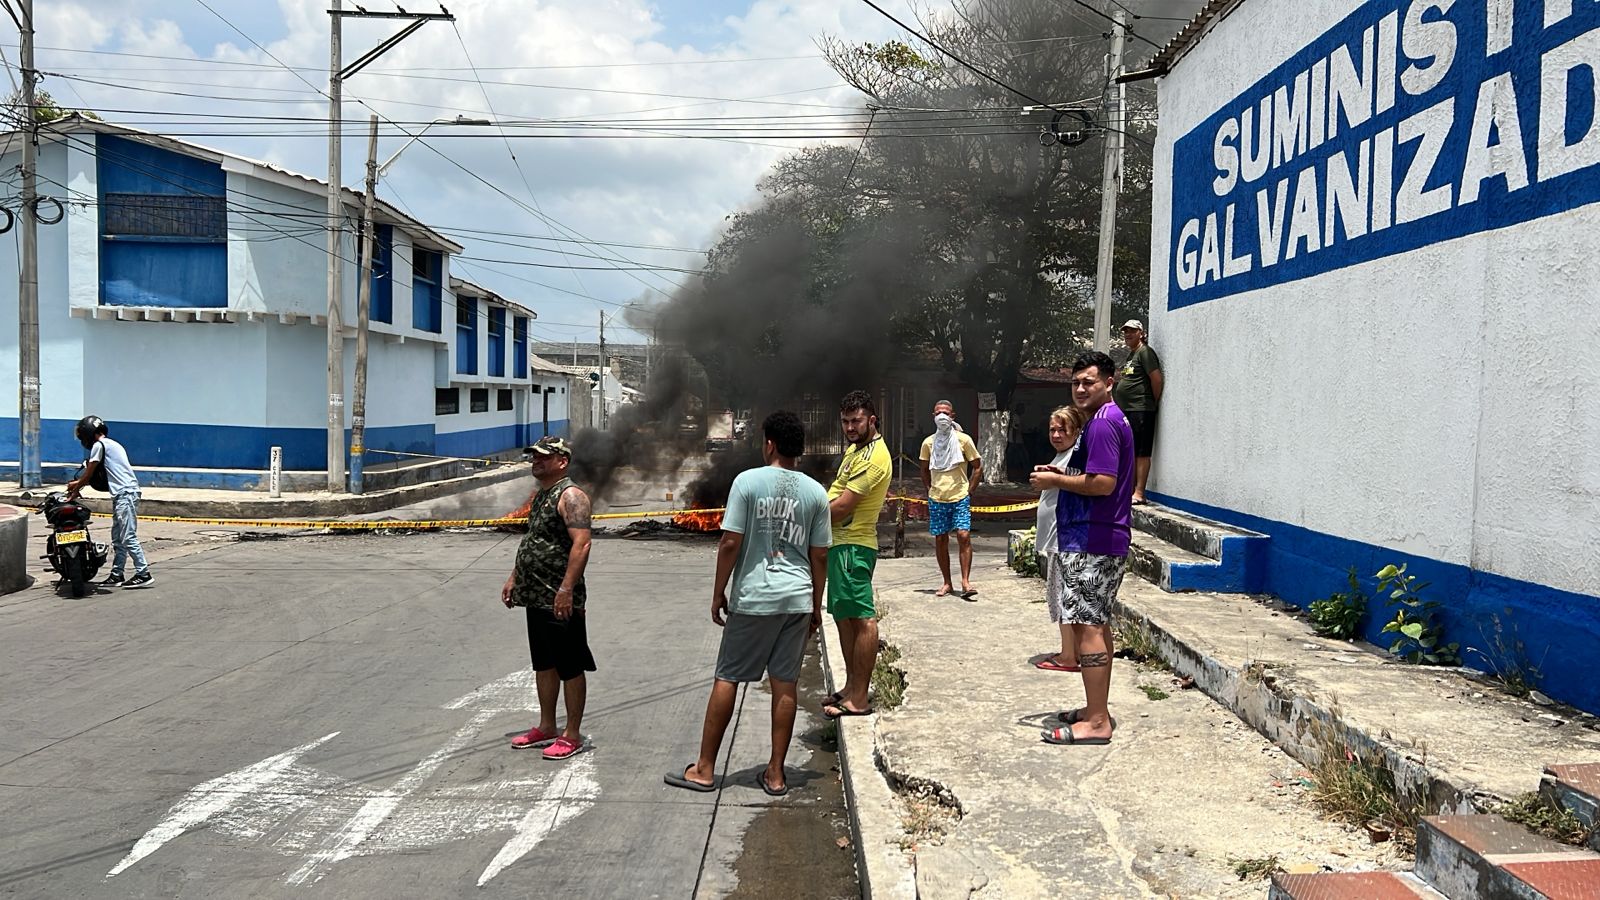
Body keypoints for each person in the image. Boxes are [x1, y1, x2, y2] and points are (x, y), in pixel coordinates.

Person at [664, 411, 831, 796]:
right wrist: (816, 605)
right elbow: (819, 555)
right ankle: (776, 774)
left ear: (769, 443)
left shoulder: (747, 482)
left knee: (728, 677)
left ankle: (704, 769)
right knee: (784, 684)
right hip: (797, 599)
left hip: (755, 598)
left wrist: (718, 590)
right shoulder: (816, 493)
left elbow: (730, 542)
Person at [1029, 352, 1135, 745]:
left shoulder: (1103, 425)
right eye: (1075, 382)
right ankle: (1096, 710)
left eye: (1089, 382)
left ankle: (1095, 724)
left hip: (1092, 539)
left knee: (1087, 626)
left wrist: (1056, 483)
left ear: (1109, 382)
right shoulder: (1104, 423)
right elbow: (1094, 475)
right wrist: (1063, 473)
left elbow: (1103, 483)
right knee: (1098, 623)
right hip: (1098, 538)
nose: (1080, 389)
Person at [500, 435, 594, 761]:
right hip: (536, 596)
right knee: (544, 664)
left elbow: (581, 544)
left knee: (570, 666)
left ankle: (572, 734)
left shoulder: (572, 496)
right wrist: (515, 577)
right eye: (533, 457)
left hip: (559, 598)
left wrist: (566, 590)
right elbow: (534, 539)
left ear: (562, 461)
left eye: (542, 457)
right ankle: (547, 726)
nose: (535, 462)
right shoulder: (542, 495)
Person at [822, 390, 892, 720]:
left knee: (862, 619)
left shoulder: (874, 457)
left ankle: (859, 699)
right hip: (841, 544)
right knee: (844, 618)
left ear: (872, 421)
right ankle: (851, 688)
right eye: (846, 421)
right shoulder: (855, 450)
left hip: (853, 545)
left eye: (857, 421)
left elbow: (845, 504)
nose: (850, 427)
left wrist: (806, 517)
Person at [1030, 405, 1088, 672]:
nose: (1055, 434)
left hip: (1064, 537)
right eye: (1052, 429)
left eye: (1062, 429)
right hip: (1057, 538)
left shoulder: (1076, 457)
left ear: (1076, 431)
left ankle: (1068, 657)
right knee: (1060, 593)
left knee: (1065, 596)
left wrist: (1053, 478)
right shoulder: (1062, 457)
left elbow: (1078, 482)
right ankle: (1070, 650)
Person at [66, 416, 153, 589]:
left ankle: (143, 573)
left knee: (128, 536)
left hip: (125, 494)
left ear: (88, 433)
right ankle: (116, 574)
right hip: (123, 494)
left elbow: (89, 473)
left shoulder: (99, 446)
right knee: (118, 537)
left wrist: (75, 488)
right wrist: (79, 484)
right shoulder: (113, 444)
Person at [919, 400, 983, 598]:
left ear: (952, 416)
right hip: (937, 498)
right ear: (933, 416)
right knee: (940, 539)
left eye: (945, 413)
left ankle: (965, 581)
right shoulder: (928, 443)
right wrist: (930, 489)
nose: (942, 416)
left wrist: (969, 490)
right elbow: (923, 469)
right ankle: (947, 582)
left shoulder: (963, 440)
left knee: (963, 536)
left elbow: (978, 466)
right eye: (938, 413)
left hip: (960, 497)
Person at [1112, 319, 1163, 505]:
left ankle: (1140, 492)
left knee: (1142, 451)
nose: (1128, 334)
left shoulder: (1145, 353)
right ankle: (1129, 489)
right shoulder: (1130, 356)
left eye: (1132, 331)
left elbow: (1156, 380)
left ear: (1141, 333)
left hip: (1142, 409)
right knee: (1130, 451)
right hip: (1128, 410)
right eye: (1125, 331)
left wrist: (1152, 401)